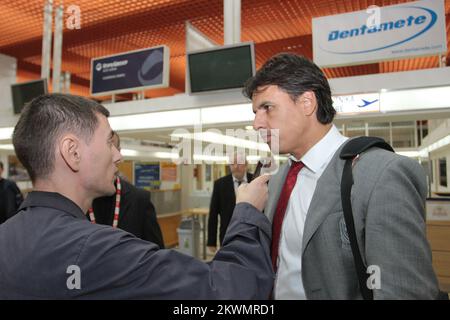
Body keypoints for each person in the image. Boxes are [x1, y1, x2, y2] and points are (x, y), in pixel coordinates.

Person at [0, 93, 273, 299]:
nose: (118, 155)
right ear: (72, 152)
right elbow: (232, 291)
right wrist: (247, 211)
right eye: (109, 142)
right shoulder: (101, 251)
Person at [243, 53, 440, 299]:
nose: (256, 124)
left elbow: (404, 291)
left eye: (266, 108)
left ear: (307, 103)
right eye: (255, 112)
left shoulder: (381, 174)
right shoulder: (277, 178)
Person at [88, 132, 165, 248]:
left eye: (113, 148)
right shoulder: (75, 198)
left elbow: (156, 254)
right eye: (107, 148)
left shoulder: (139, 200)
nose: (114, 156)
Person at [207, 153, 253, 251]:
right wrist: (211, 241)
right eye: (233, 164)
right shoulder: (220, 184)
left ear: (246, 164)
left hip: (251, 235)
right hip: (227, 235)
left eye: (239, 163)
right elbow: (213, 214)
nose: (236, 167)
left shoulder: (255, 181)